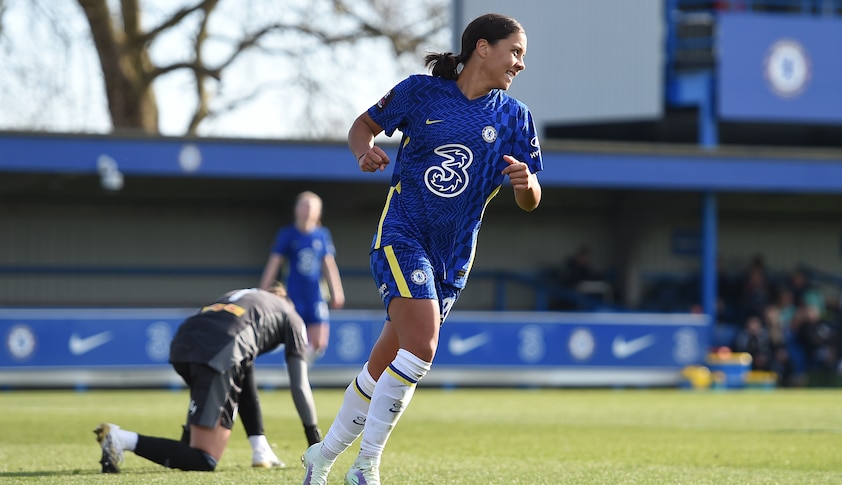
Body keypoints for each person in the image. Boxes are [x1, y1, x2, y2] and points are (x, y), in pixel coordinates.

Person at [300, 12, 542, 485]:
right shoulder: (419, 91)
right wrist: (362, 150)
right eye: (515, 52)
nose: (521, 64)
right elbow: (362, 126)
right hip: (402, 236)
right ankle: (366, 467)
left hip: (452, 261)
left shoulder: (515, 118)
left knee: (382, 366)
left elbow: (531, 200)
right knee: (423, 346)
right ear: (483, 48)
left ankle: (321, 458)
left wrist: (526, 183)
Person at [93, 283, 322, 473]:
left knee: (187, 448)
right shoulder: (292, 315)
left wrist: (258, 445)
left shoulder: (246, 297)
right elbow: (300, 385)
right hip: (219, 349)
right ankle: (120, 439)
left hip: (184, 342)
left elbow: (244, 377)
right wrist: (316, 444)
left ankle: (261, 449)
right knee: (204, 459)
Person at [259, 191, 345, 363]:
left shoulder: (322, 234)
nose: (307, 210)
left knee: (320, 343)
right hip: (293, 294)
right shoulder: (287, 234)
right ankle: (296, 373)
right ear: (296, 209)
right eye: (303, 205)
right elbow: (274, 263)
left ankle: (301, 369)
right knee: (296, 339)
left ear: (318, 212)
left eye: (311, 207)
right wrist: (262, 291)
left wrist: (337, 291)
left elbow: (329, 265)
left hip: (316, 295)